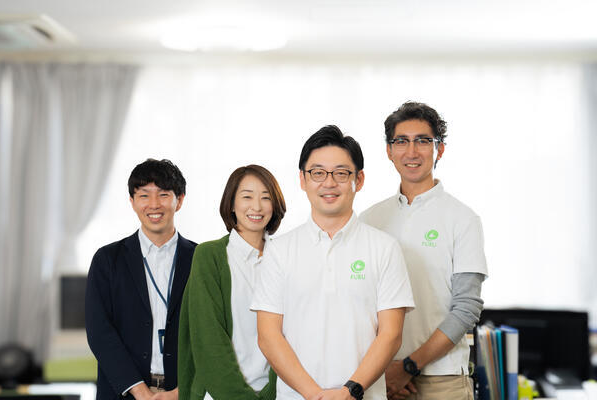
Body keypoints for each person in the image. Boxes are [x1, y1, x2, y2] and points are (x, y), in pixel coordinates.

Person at [252, 125, 415, 400]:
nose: (329, 183)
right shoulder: (278, 251)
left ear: (359, 180)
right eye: (317, 173)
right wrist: (315, 395)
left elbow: (391, 335)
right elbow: (268, 337)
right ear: (303, 180)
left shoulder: (384, 248)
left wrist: (350, 391)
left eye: (341, 173)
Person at [360, 102, 488, 400]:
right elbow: (360, 302)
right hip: (382, 378)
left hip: (443, 379)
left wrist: (409, 366)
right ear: (389, 150)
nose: (412, 151)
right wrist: (383, 371)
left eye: (422, 140)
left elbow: (466, 308)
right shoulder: (369, 219)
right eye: (401, 141)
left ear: (439, 149)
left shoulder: (463, 219)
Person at [86, 158, 196, 400]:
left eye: (164, 194)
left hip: (185, 392)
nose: (154, 204)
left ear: (180, 200)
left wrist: (182, 392)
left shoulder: (201, 259)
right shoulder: (108, 260)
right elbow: (99, 332)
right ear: (132, 202)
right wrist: (140, 391)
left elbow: (212, 334)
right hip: (124, 393)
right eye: (144, 195)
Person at [178, 164, 286, 400]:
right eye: (247, 196)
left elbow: (294, 335)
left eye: (266, 197)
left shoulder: (288, 257)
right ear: (231, 204)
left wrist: (271, 394)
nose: (256, 206)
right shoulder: (209, 256)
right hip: (219, 394)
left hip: (278, 395)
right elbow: (208, 341)